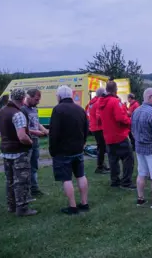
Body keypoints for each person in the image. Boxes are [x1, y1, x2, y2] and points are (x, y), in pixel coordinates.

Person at [49, 85, 89, 215]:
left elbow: (54, 132)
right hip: (78, 149)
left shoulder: (58, 110)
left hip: (63, 150)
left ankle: (72, 207)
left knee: (67, 179)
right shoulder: (80, 109)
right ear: (71, 96)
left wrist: (52, 149)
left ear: (59, 97)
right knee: (81, 175)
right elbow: (86, 128)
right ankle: (84, 203)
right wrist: (83, 142)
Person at [0, 89, 37, 216]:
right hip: (19, 152)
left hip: (5, 151)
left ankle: (11, 206)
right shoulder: (18, 114)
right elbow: (22, 137)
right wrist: (30, 142)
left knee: (9, 180)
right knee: (22, 181)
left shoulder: (1, 112)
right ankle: (22, 209)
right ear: (23, 99)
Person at [98, 81, 136, 190]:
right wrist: (129, 121)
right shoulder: (115, 101)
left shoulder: (101, 102)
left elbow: (100, 119)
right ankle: (126, 182)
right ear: (115, 90)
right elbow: (120, 118)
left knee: (113, 159)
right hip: (119, 135)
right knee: (128, 158)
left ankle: (115, 181)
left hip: (108, 136)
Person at [22, 88, 49, 197]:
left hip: (35, 141)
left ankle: (34, 188)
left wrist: (45, 130)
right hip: (28, 141)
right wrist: (36, 133)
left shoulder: (34, 109)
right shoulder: (23, 110)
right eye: (36, 99)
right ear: (29, 97)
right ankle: (31, 189)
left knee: (34, 166)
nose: (38, 102)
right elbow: (24, 128)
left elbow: (37, 123)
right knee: (28, 166)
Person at [88, 87, 110, 174]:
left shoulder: (92, 102)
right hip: (99, 128)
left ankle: (102, 165)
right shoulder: (98, 103)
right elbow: (99, 117)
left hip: (94, 127)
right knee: (102, 148)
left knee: (100, 147)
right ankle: (100, 167)